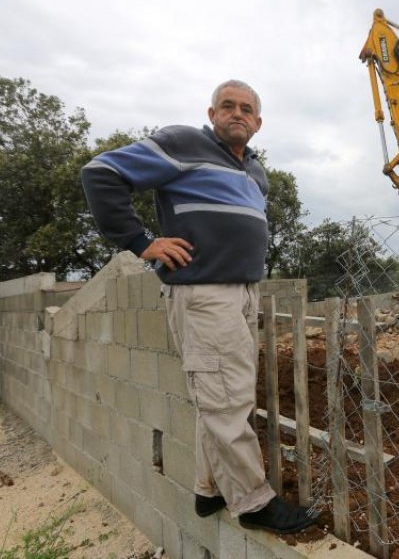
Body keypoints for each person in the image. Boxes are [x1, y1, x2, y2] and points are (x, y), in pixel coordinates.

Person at [81, 79, 318, 535]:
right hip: (205, 294)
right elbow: (101, 173)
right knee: (226, 401)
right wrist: (140, 242)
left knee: (222, 396)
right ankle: (253, 503)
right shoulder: (183, 143)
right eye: (227, 106)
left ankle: (208, 489)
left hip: (243, 291)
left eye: (246, 109)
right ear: (211, 115)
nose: (237, 114)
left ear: (258, 122)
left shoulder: (255, 171)